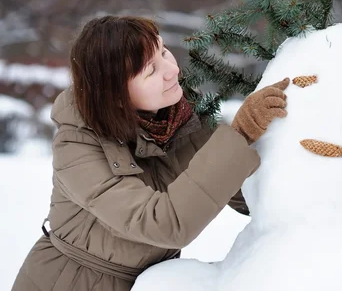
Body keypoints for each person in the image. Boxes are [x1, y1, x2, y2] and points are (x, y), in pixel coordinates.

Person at [11, 15, 289, 291]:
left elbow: (243, 193)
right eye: (150, 70)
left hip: (147, 282)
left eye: (164, 51)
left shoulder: (178, 117)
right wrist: (238, 135)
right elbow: (162, 224)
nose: (171, 70)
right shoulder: (76, 146)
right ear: (115, 94)